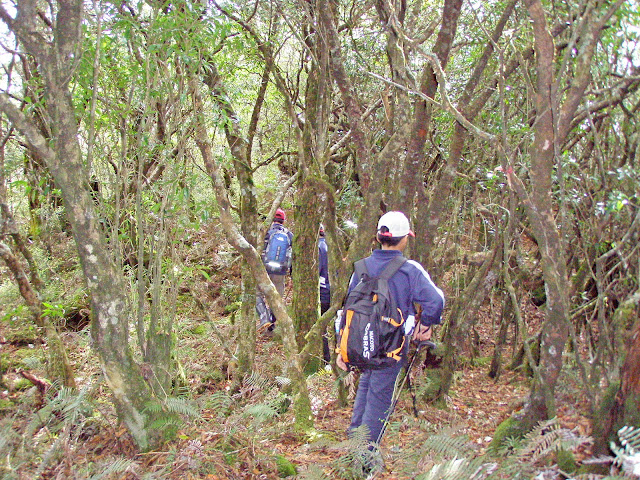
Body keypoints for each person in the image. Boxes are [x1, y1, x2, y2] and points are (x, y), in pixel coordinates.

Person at [337, 211, 445, 466]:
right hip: (391, 348)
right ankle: (363, 462)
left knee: (365, 390)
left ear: (379, 237)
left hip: (360, 346)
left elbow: (348, 310)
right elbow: (436, 301)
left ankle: (355, 447)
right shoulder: (409, 270)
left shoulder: (360, 267)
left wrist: (342, 349)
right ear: (403, 239)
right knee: (378, 399)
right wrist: (426, 325)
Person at [257, 208, 293, 332]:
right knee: (277, 298)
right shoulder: (289, 234)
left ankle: (264, 318)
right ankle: (271, 326)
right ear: (283, 220)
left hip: (265, 270)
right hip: (280, 272)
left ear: (272, 219)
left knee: (257, 294)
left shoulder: (266, 232)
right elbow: (293, 255)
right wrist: (292, 274)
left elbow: (258, 250)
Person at [318, 225, 332, 364]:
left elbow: (317, 271)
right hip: (330, 291)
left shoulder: (318, 248)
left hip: (321, 293)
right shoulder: (329, 246)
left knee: (321, 327)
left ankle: (326, 359)